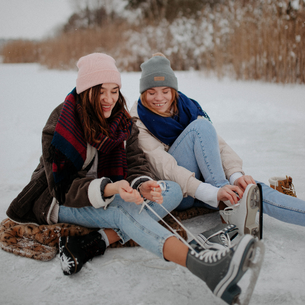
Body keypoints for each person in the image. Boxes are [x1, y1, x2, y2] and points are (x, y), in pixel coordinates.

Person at [5, 53, 260, 305]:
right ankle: (204, 266)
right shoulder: (62, 123)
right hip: (58, 200)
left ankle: (97, 240)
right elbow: (63, 187)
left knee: (168, 189)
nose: (108, 99)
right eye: (100, 91)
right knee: (123, 213)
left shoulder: (122, 121)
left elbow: (136, 163)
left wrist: (142, 184)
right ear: (86, 91)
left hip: (110, 189)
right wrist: (110, 188)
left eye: (114, 90)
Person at [130, 52, 305, 233]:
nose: (159, 98)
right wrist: (214, 191)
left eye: (165, 91)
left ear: (173, 91)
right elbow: (166, 168)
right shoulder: (138, 121)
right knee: (201, 128)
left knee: (250, 190)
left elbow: (216, 145)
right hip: (181, 191)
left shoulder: (186, 107)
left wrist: (236, 175)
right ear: (143, 93)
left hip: (209, 184)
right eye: (151, 92)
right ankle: (224, 195)